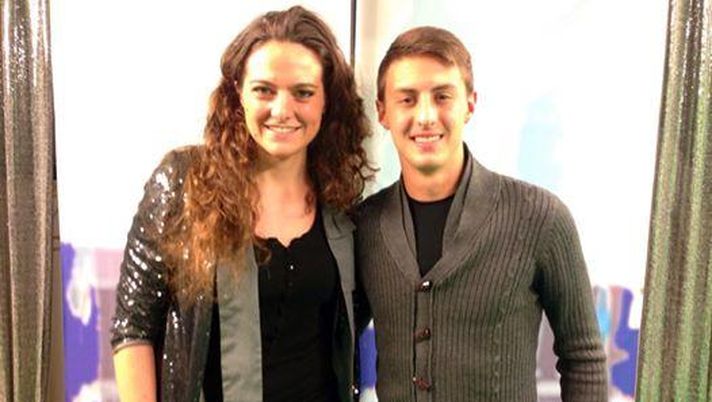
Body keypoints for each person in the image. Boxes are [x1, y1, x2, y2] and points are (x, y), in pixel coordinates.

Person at [111, 6, 372, 402]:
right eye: (264, 90)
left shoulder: (341, 203)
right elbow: (134, 326)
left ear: (326, 100)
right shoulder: (184, 182)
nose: (282, 110)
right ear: (238, 93)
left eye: (303, 92)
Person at [355, 26, 607, 401]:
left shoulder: (541, 218)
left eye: (442, 96)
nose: (426, 116)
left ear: (470, 104)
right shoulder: (364, 226)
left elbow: (583, 358)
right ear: (382, 111)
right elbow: (331, 343)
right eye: (407, 99)